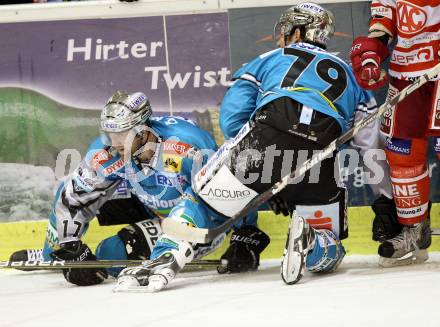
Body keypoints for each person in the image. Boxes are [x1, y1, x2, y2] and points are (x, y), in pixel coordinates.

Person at [183, 2, 391, 285]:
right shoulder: (349, 74)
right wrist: (384, 200)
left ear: (298, 32)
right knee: (331, 251)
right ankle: (313, 240)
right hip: (321, 161)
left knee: (204, 197)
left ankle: (173, 246)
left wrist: (265, 179)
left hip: (267, 143)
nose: (280, 36)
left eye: (284, 30)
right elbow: (369, 146)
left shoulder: (270, 57)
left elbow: (232, 118)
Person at [11, 90, 266, 289]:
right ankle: (52, 253)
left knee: (111, 253)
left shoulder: (186, 145)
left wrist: (246, 233)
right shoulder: (109, 150)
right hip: (147, 201)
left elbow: (228, 187)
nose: (115, 141)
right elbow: (75, 199)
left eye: (122, 132)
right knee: (71, 189)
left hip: (193, 216)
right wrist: (70, 248)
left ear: (143, 129)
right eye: (110, 132)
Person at [349, 0, 439, 267]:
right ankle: (414, 229)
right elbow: (383, 23)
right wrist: (370, 55)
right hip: (407, 75)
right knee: (402, 154)